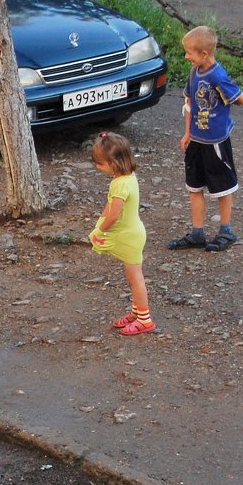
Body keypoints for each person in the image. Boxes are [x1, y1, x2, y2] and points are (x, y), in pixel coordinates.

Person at [167, 25, 243, 252]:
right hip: (196, 140)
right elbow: (190, 103)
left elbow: (241, 99)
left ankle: (226, 230)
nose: (186, 56)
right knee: (194, 186)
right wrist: (187, 133)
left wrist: (234, 94)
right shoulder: (194, 73)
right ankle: (198, 232)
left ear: (204, 54)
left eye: (189, 52)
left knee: (223, 185)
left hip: (215, 142)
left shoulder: (218, 75)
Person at [89, 132, 154, 335]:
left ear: (114, 162)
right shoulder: (128, 177)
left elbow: (114, 214)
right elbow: (110, 207)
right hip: (132, 233)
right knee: (132, 275)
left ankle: (145, 319)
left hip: (128, 236)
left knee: (136, 278)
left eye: (100, 164)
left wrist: (100, 229)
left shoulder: (119, 185)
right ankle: (137, 312)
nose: (98, 168)